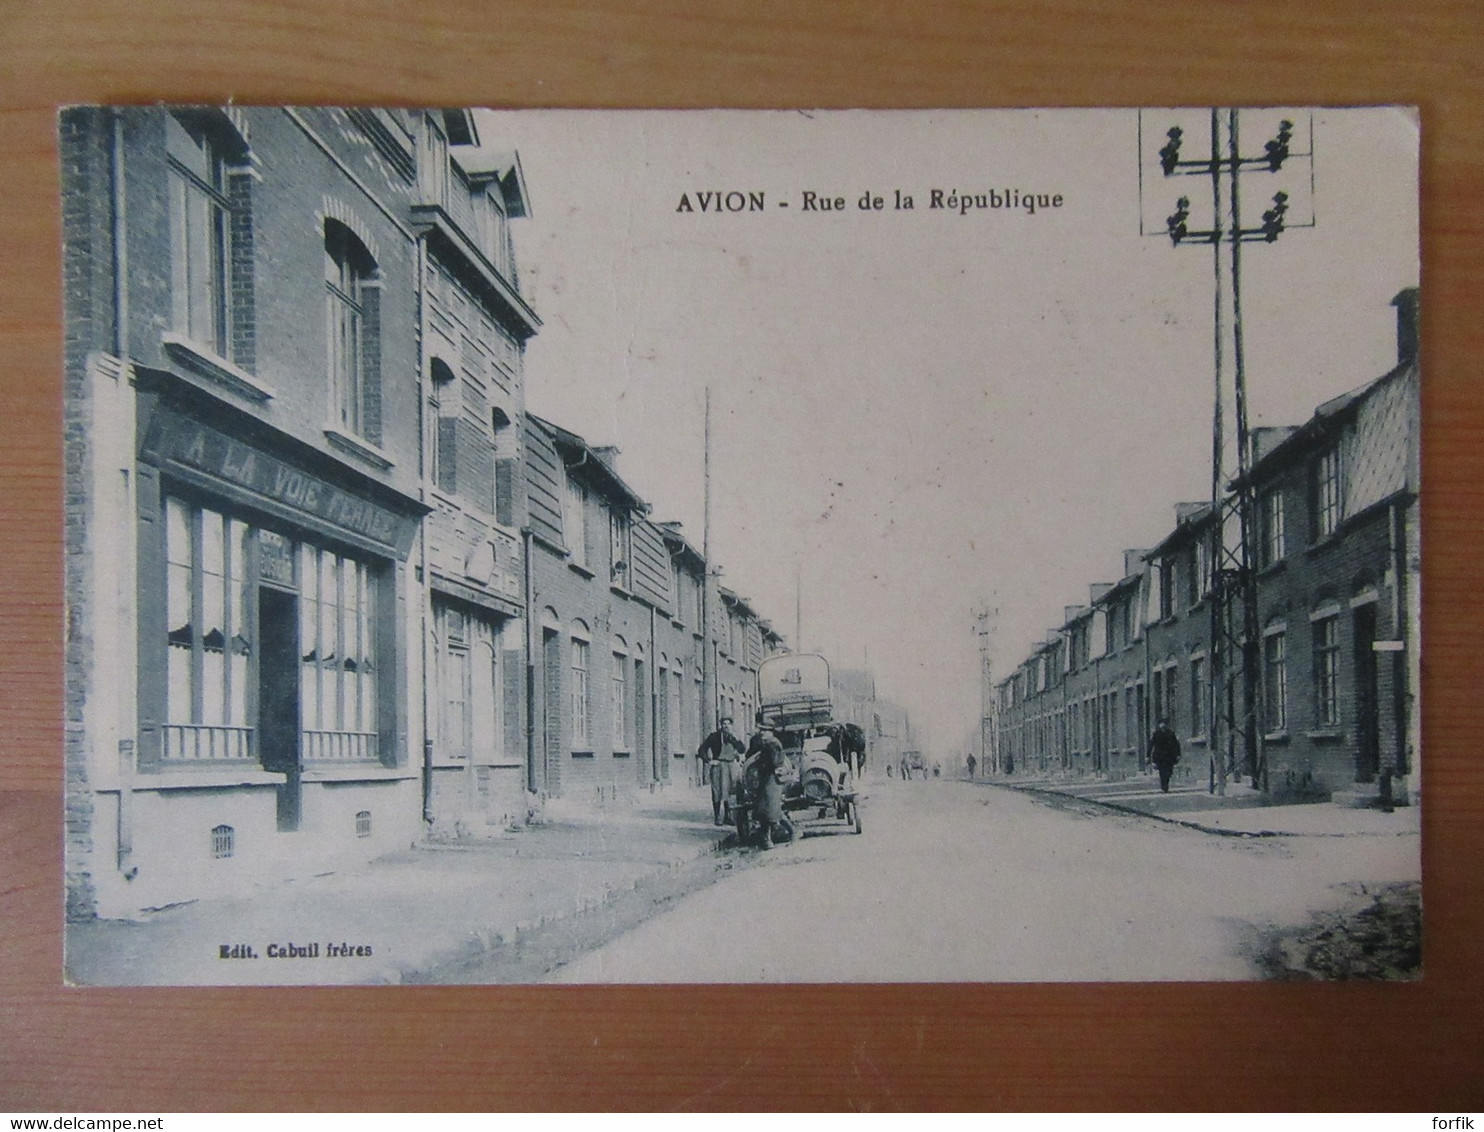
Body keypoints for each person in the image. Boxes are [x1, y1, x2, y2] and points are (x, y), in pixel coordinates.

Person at [698, 716, 745, 825]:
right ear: (721, 725)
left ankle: (727, 817)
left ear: (731, 725)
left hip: (730, 766)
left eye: (728, 724)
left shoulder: (733, 737)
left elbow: (742, 749)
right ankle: (717, 817)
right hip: (718, 765)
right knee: (717, 791)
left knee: (729, 791)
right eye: (724, 724)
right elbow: (701, 750)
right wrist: (709, 761)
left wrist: (736, 739)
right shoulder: (714, 737)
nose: (726, 726)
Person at [1149, 719, 1182, 793]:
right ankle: (1164, 786)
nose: (1163, 726)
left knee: (1169, 771)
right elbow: (1151, 744)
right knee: (1162, 771)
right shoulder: (1156, 734)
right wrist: (1149, 755)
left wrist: (1178, 754)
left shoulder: (1171, 733)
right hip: (1160, 756)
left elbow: (1176, 744)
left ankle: (1166, 784)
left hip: (1169, 756)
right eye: (1161, 724)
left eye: (1164, 724)